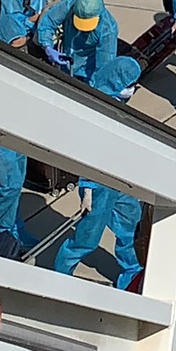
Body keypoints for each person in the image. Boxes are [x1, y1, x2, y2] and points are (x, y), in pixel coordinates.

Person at [50, 57, 150, 289]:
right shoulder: (95, 109)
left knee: (130, 230)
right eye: (131, 84)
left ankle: (132, 277)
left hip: (120, 181)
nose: (133, 89)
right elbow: (88, 152)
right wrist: (87, 188)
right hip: (97, 185)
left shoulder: (115, 102)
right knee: (87, 238)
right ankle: (59, 277)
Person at [36, 0, 119, 84]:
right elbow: (48, 22)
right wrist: (47, 46)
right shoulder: (70, 4)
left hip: (85, 72)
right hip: (62, 59)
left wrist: (92, 85)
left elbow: (104, 65)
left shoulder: (107, 30)